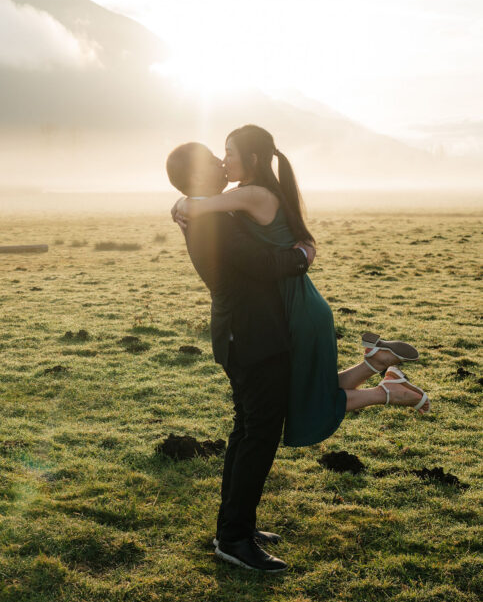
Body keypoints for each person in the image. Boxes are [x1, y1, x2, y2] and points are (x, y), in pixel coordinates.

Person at [172, 125, 430, 451]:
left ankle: (389, 392)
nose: (223, 162)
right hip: (299, 303)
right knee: (308, 389)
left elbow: (199, 207)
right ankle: (377, 365)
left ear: (251, 158)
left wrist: (183, 202)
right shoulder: (253, 191)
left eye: (228, 154)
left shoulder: (252, 194)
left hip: (297, 308)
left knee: (307, 397)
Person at [165, 141, 313, 573]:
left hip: (244, 332)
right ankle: (233, 538)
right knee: (259, 435)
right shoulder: (208, 218)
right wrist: (303, 254)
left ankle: (233, 527)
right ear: (196, 177)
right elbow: (264, 264)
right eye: (210, 159)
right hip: (249, 335)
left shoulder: (206, 209)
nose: (219, 161)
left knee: (247, 429)